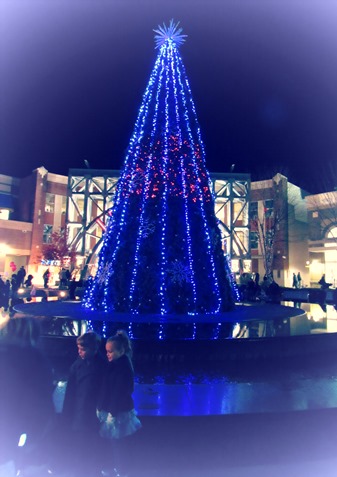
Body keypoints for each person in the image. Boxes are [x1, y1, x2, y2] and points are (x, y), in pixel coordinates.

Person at [97, 330, 142, 477]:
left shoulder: (122, 367)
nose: (108, 354)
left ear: (121, 350)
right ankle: (116, 469)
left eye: (110, 351)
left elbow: (120, 392)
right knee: (113, 443)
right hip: (111, 409)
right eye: (107, 351)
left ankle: (121, 470)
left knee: (118, 444)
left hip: (118, 411)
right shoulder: (115, 364)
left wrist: (112, 412)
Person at [61, 331, 105, 475]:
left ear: (94, 348)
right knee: (81, 445)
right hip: (80, 410)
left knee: (90, 445)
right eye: (79, 349)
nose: (79, 352)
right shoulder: (78, 365)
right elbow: (71, 391)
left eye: (83, 349)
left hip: (91, 411)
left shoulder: (101, 365)